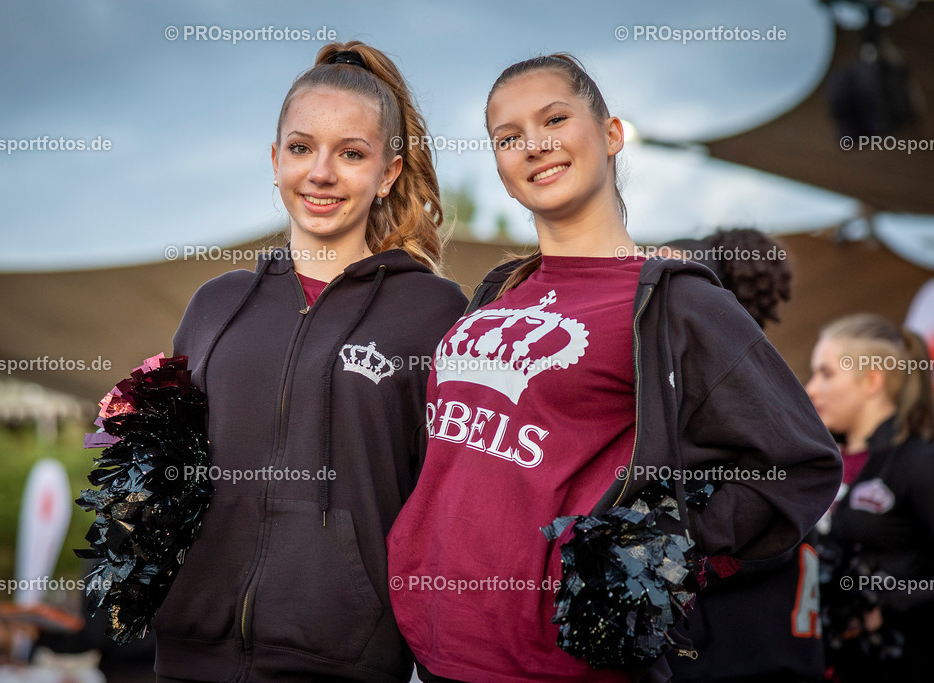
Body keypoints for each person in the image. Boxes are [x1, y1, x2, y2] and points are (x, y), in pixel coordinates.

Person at [386, 54, 842, 682]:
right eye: (508, 138)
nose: (534, 145)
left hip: (553, 665)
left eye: (554, 119)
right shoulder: (497, 291)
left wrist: (656, 553)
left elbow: (799, 465)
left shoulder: (677, 300)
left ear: (611, 134)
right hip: (432, 651)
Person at [149, 41, 467, 682]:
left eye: (351, 154)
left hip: (345, 661)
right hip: (188, 657)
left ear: (388, 174)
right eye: (301, 148)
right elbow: (163, 476)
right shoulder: (216, 304)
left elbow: (450, 502)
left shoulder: (435, 313)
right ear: (275, 161)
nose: (321, 173)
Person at [662, 229, 825, 683]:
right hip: (769, 648)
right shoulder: (757, 389)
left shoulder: (725, 403)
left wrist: (669, 544)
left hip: (739, 657)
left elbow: (759, 529)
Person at [806, 314, 934, 683]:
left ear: (872, 380)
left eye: (826, 373)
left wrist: (885, 605)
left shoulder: (918, 461)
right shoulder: (825, 463)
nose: (811, 389)